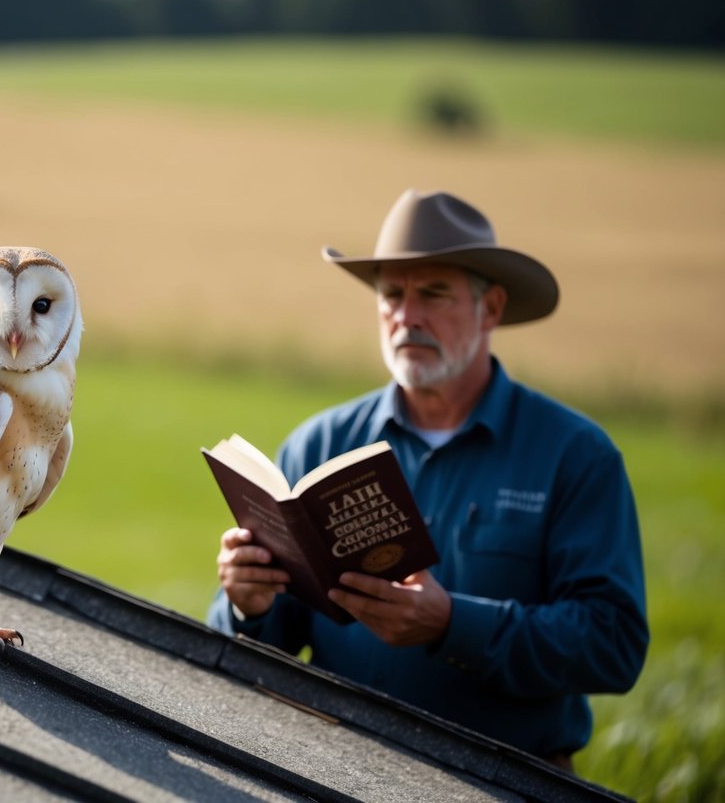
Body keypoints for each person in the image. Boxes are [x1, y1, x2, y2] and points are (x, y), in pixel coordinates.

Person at [207, 189, 648, 770]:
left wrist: (452, 624)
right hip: (331, 775)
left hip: (511, 783)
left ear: (490, 308)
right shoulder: (318, 444)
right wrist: (246, 605)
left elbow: (612, 644)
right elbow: (255, 648)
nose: (406, 316)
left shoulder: (575, 455)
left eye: (433, 294)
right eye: (392, 294)